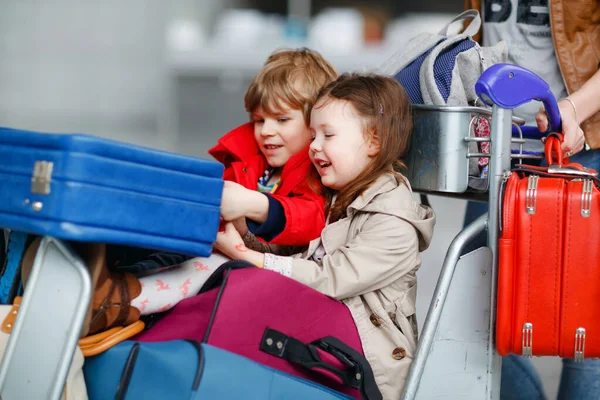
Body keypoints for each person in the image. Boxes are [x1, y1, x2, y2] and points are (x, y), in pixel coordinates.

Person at [214, 73, 436, 399]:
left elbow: (330, 278)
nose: (314, 146)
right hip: (331, 336)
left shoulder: (394, 221)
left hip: (367, 362)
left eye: (327, 135)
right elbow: (299, 255)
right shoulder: (339, 194)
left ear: (374, 141)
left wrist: (253, 260)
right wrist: (246, 236)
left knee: (240, 305)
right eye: (314, 134)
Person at [125, 47, 338, 315]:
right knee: (154, 254)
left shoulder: (315, 171)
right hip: (206, 245)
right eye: (259, 120)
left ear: (316, 125)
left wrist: (253, 204)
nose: (267, 131)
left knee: (192, 273)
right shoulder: (252, 162)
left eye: (282, 119)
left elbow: (312, 217)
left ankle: (119, 305)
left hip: (251, 267)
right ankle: (110, 287)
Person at [463, 1, 600, 398]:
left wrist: (573, 109)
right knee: (479, 313)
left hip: (582, 139)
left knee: (583, 324)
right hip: (497, 143)